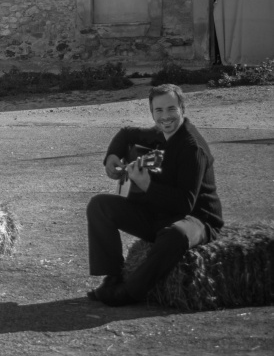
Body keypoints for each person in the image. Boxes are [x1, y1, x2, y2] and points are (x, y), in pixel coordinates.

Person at [86, 84, 223, 306]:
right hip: (160, 212)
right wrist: (112, 155)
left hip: (199, 218)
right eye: (158, 111)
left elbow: (185, 204)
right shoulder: (160, 133)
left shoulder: (192, 148)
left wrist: (146, 185)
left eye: (171, 109)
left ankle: (130, 292)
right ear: (152, 112)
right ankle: (112, 278)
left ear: (182, 108)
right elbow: (126, 133)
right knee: (99, 205)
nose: (165, 116)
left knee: (174, 235)